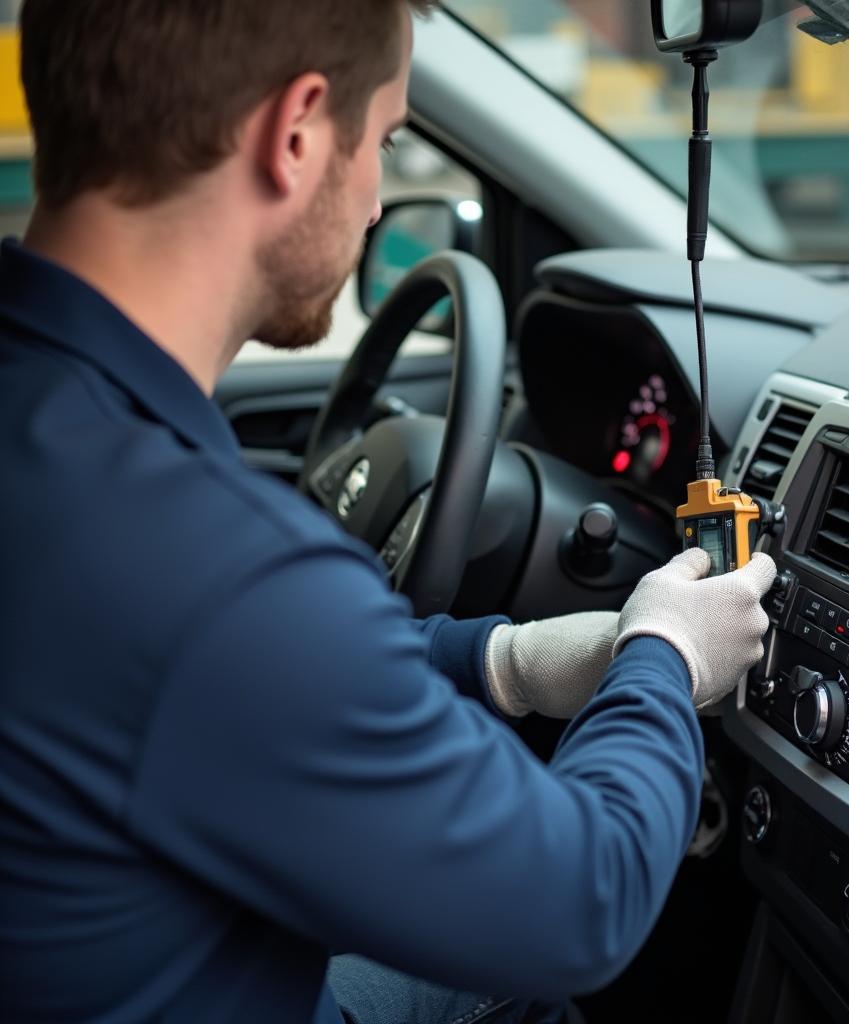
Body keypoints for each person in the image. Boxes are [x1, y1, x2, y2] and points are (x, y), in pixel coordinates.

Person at [0, 2, 776, 1022]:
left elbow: (263, 679)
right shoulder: (210, 567)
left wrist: (502, 662)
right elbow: (579, 905)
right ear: (297, 133)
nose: (376, 200)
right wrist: (664, 662)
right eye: (388, 142)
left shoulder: (68, 436)